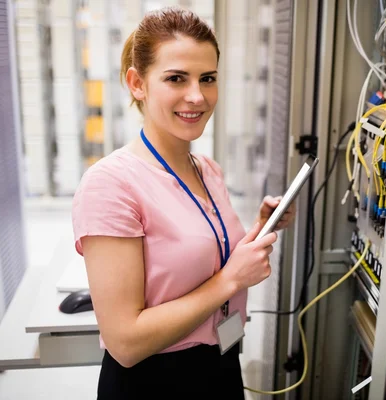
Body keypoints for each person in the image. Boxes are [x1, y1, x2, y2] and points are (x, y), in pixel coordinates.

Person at [71, 6, 295, 400]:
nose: (197, 96)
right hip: (155, 381)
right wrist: (231, 280)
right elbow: (124, 342)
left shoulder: (207, 170)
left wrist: (261, 229)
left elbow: (203, 260)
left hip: (220, 363)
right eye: (176, 78)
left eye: (207, 79)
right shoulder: (110, 184)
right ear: (137, 83)